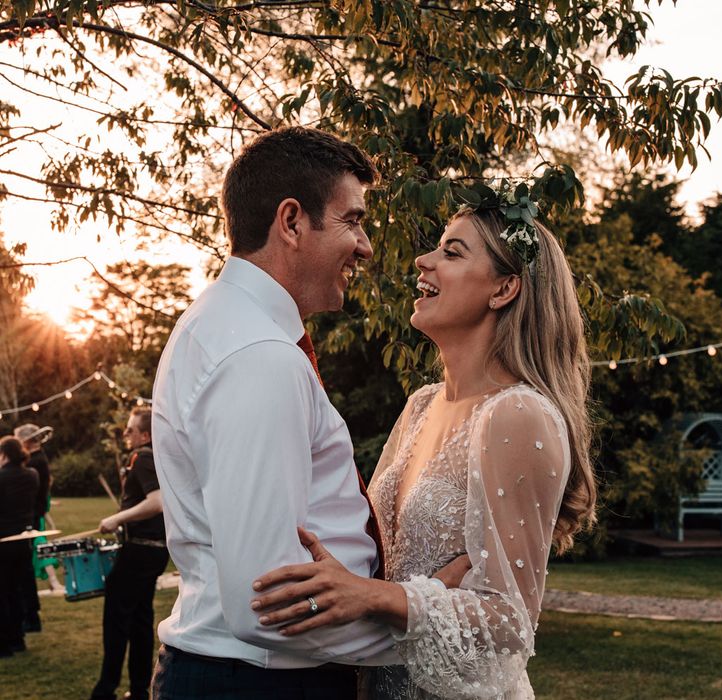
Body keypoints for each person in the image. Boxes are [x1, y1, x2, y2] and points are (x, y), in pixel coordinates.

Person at [252, 181, 597, 699]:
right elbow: (382, 555)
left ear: (504, 289)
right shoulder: (420, 405)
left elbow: (510, 622)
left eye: (451, 252)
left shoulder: (517, 414)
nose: (422, 260)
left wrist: (379, 597)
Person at [151, 126, 431, 700]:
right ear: (292, 221)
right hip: (258, 684)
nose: (367, 246)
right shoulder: (260, 356)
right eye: (353, 220)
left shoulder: (231, 326)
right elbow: (266, 603)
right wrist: (412, 633)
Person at [90, 407, 169, 700]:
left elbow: (157, 502)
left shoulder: (144, 456)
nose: (125, 434)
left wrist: (117, 519)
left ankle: (104, 691)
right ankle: (138, 690)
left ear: (145, 435)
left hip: (139, 552)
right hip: (152, 551)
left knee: (117, 621)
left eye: (130, 429)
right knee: (139, 621)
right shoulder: (157, 456)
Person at [14, 423, 64, 600]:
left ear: (26, 441)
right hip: (37, 508)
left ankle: (54, 582)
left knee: (39, 545)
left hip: (34, 510)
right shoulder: (37, 458)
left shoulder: (35, 461)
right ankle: (52, 583)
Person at [0, 436, 38, 658]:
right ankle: (18, 638)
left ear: (4, 454)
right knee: (16, 590)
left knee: (2, 593)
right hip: (23, 540)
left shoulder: (2, 477)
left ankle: (3, 644)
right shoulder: (32, 475)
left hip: (3, 541)